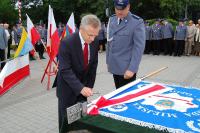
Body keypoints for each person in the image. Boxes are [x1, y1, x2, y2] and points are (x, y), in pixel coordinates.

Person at [56, 14, 101, 133]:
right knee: (66, 123)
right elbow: (65, 69)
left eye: (95, 35)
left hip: (83, 90)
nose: (92, 39)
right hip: (67, 90)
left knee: (81, 121)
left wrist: (89, 87)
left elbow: (93, 66)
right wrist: (80, 88)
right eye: (90, 35)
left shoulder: (95, 42)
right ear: (81, 29)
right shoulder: (67, 42)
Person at [106, 0, 145, 89]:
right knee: (117, 92)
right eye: (117, 8)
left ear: (128, 7)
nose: (119, 11)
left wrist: (132, 69)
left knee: (127, 96)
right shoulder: (112, 19)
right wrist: (108, 61)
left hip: (126, 69)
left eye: (122, 9)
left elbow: (138, 48)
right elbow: (109, 42)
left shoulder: (137, 22)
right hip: (114, 65)